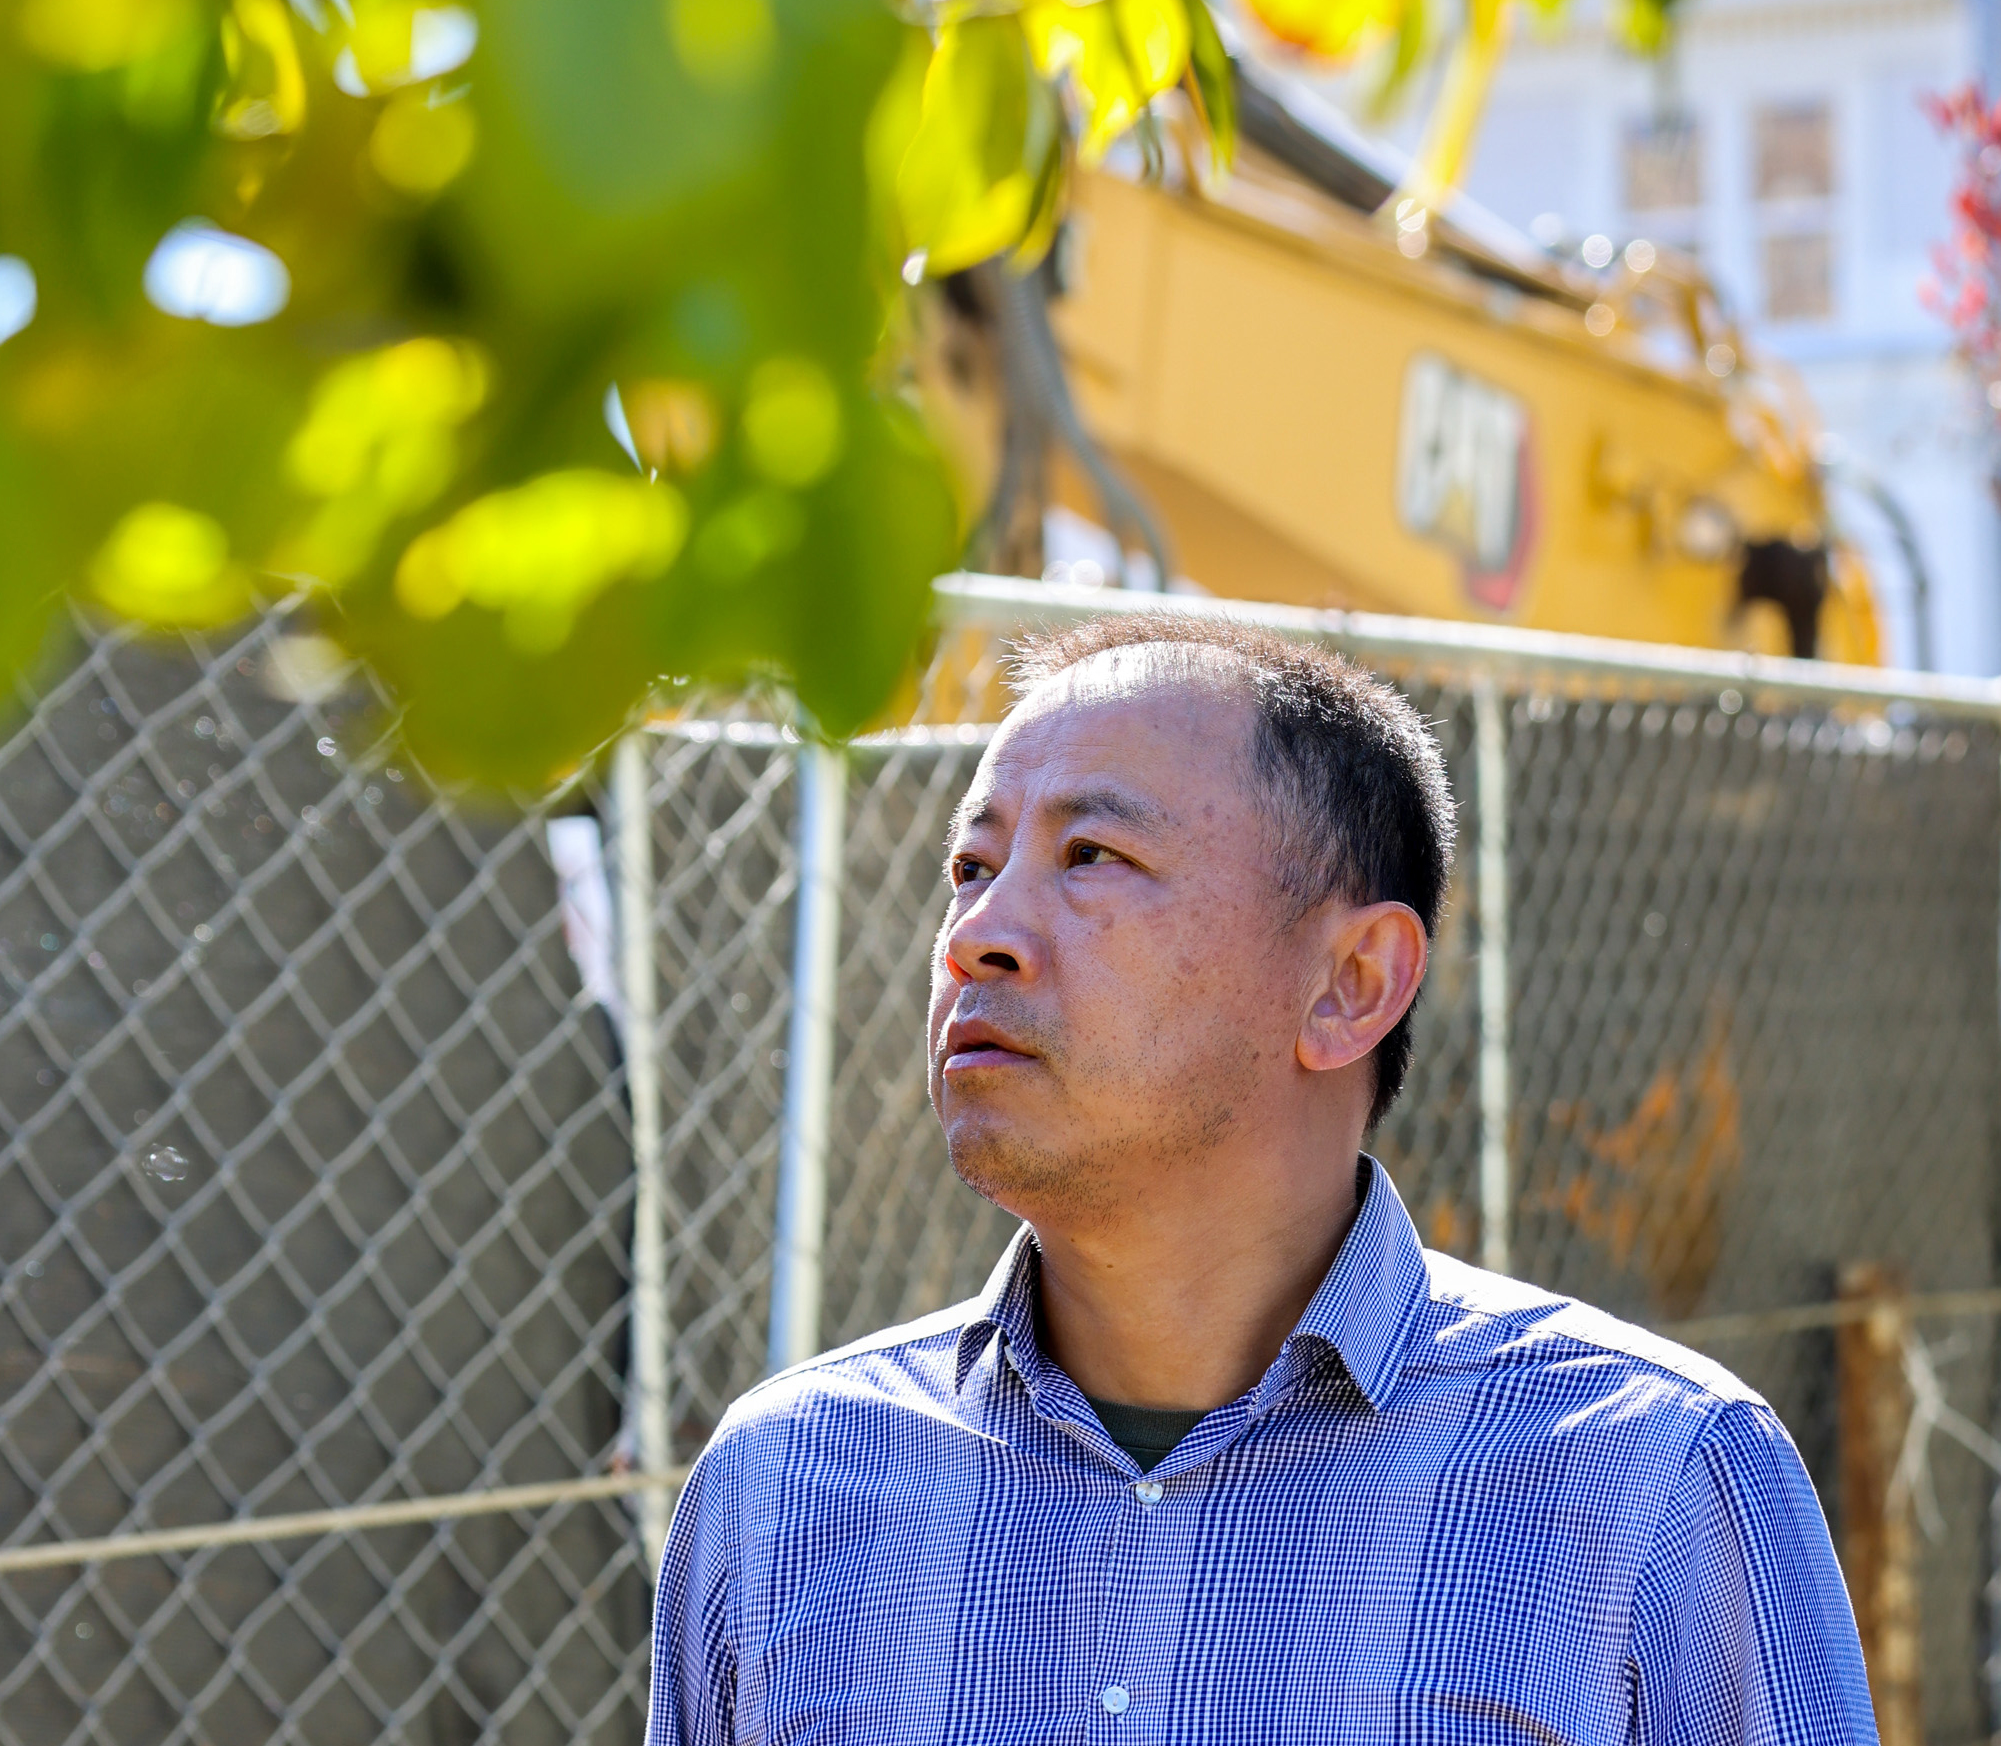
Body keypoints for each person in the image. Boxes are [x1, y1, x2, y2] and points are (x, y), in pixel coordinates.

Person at [648, 611, 1876, 1745]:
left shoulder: (1653, 1485)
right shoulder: (781, 1492)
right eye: (971, 868)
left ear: (1352, 984)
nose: (977, 932)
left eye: (1091, 854)